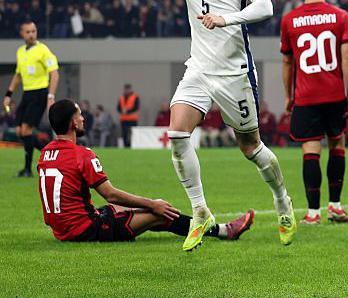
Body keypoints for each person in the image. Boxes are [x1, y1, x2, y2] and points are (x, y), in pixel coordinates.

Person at [88, 0, 296, 251]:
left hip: (235, 73)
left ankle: (282, 202)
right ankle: (201, 211)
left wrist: (226, 19)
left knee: (251, 148)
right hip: (198, 69)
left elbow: (265, 6)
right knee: (178, 133)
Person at [37, 99, 254, 243]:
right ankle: (225, 231)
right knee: (160, 212)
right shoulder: (81, 154)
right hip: (86, 230)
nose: (83, 118)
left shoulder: (45, 153)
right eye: (80, 114)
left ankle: (160, 217)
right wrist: (152, 204)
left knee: (124, 208)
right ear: (73, 122)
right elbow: (110, 193)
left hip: (62, 230)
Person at [280, 0, 348, 225]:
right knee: (337, 144)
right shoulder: (341, 16)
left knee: (310, 150)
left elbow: (288, 64)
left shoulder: (289, 20)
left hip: (306, 96)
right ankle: (335, 206)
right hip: (335, 95)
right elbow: (347, 57)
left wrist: (289, 96)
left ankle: (313, 213)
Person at [4, 20, 59, 178]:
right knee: (21, 131)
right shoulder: (21, 51)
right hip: (27, 93)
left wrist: (50, 96)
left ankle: (27, 169)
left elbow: (54, 73)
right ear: (22, 33)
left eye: (33, 31)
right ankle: (51, 154)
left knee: (27, 130)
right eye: (28, 32)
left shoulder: (43, 50)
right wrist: (8, 94)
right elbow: (18, 75)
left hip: (39, 93)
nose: (31, 34)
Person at [117, 84, 140, 148]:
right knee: (124, 134)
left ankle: (133, 146)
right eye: (125, 89)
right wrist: (122, 111)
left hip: (132, 119)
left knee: (132, 134)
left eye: (128, 89)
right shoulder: (121, 97)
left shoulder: (135, 97)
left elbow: (136, 107)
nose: (126, 91)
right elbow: (118, 107)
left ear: (130, 89)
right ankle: (125, 147)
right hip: (124, 119)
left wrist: (127, 111)